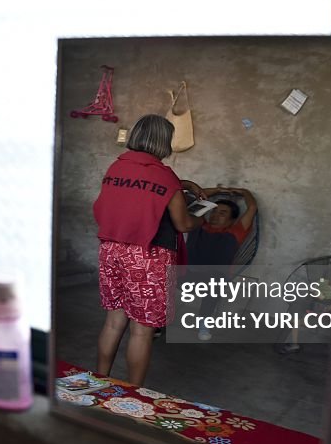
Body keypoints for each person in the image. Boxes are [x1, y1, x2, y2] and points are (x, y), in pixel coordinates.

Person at [92, 114, 205, 386]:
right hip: (148, 258)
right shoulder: (163, 175)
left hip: (111, 250)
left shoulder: (116, 168)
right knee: (142, 332)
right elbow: (183, 223)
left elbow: (137, 194)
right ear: (164, 141)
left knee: (113, 322)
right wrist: (203, 218)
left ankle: (98, 380)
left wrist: (183, 184)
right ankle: (133, 392)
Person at [185, 187, 258, 340]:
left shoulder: (235, 233)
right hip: (186, 274)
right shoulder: (197, 224)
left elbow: (252, 208)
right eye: (214, 211)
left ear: (232, 220)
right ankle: (157, 323)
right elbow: (193, 199)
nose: (215, 216)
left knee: (215, 283)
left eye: (222, 213)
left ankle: (203, 325)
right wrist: (218, 190)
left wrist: (244, 192)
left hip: (212, 279)